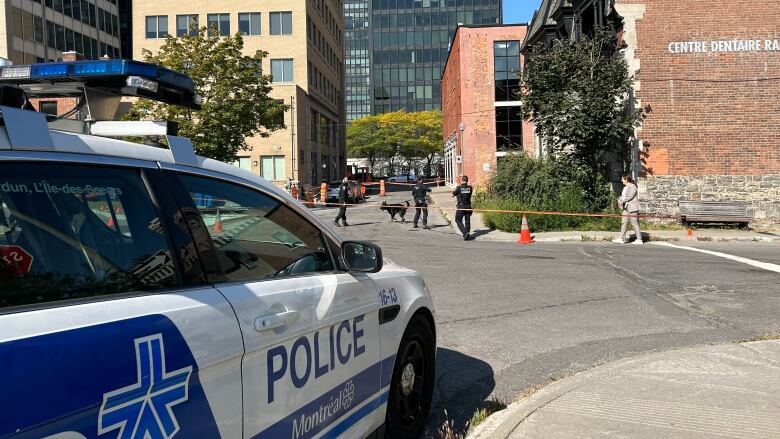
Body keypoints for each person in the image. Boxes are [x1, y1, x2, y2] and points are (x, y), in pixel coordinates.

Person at [613, 173, 643, 245]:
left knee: (634, 223)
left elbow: (630, 196)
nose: (621, 180)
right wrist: (619, 200)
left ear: (627, 179)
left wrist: (622, 201)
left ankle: (639, 239)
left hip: (632, 208)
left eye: (623, 179)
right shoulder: (625, 187)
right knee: (623, 222)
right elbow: (623, 196)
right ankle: (621, 238)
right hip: (626, 208)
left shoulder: (633, 186)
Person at [452, 175, 473, 240]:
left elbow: (454, 193)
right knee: (467, 220)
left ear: (462, 180)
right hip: (468, 206)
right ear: (467, 180)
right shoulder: (470, 188)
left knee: (458, 220)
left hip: (461, 206)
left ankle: (465, 233)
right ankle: (468, 232)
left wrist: (454, 192)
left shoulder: (459, 188)